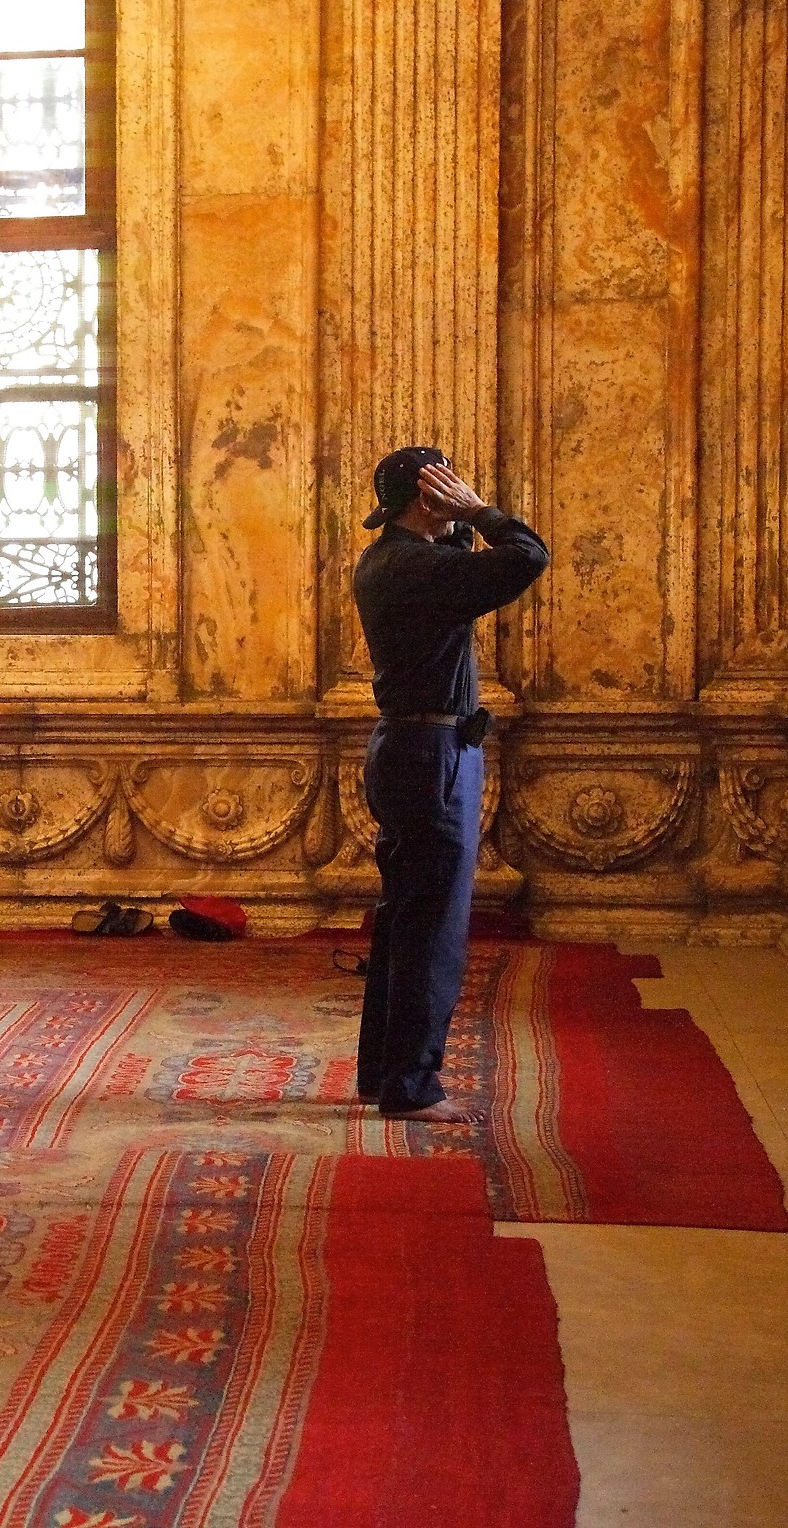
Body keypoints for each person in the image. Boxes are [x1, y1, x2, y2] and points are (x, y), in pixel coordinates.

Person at [352, 447, 548, 1122]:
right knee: (431, 928)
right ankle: (411, 1086)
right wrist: (482, 512)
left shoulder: (389, 560)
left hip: (411, 748)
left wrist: (452, 517)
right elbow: (527, 556)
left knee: (406, 919)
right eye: (449, 487)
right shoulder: (421, 568)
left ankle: (386, 1072)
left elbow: (466, 559)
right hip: (433, 758)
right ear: (430, 500)